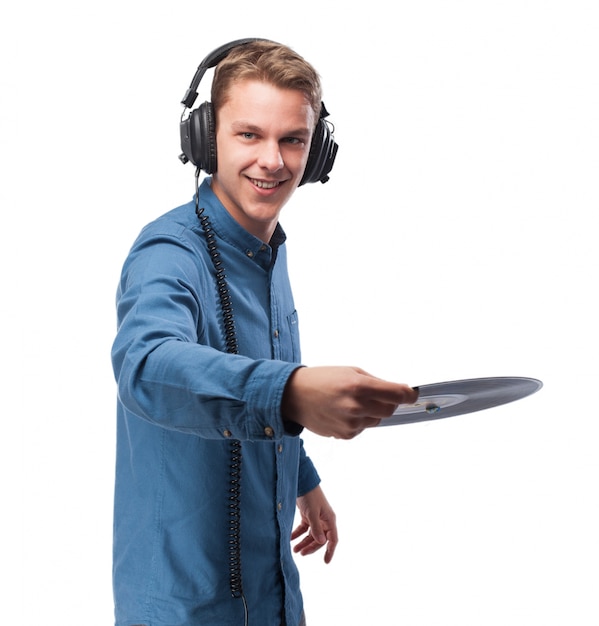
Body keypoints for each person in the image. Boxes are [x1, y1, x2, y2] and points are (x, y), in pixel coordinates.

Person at [111, 38, 418, 626]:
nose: (272, 161)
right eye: (248, 135)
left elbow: (252, 369)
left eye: (292, 139)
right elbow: (146, 365)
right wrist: (292, 393)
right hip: (184, 609)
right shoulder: (168, 251)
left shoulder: (266, 251)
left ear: (318, 151)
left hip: (273, 596)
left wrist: (302, 478)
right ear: (206, 141)